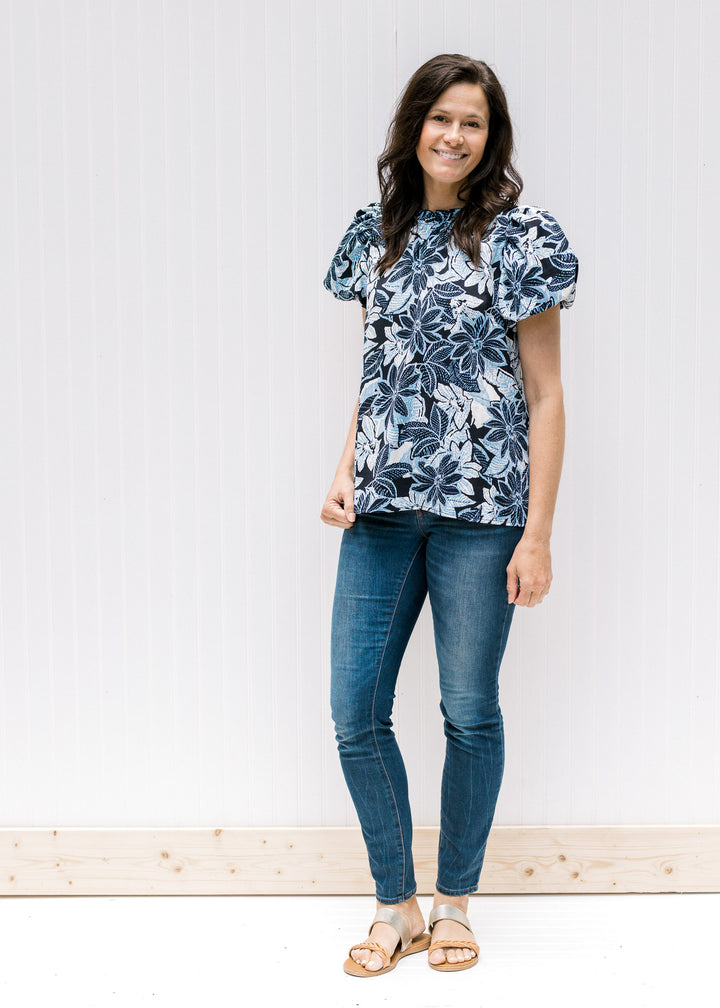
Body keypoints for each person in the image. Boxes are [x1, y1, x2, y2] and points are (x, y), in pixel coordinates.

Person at [320, 53, 579, 977]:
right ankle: (396, 905)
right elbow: (377, 373)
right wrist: (345, 468)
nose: (453, 136)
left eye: (472, 122)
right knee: (356, 712)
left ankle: (456, 901)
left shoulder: (522, 236)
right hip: (383, 512)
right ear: (413, 126)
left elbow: (546, 396)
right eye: (440, 118)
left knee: (468, 712)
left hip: (482, 517)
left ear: (490, 135)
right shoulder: (375, 233)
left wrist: (538, 534)